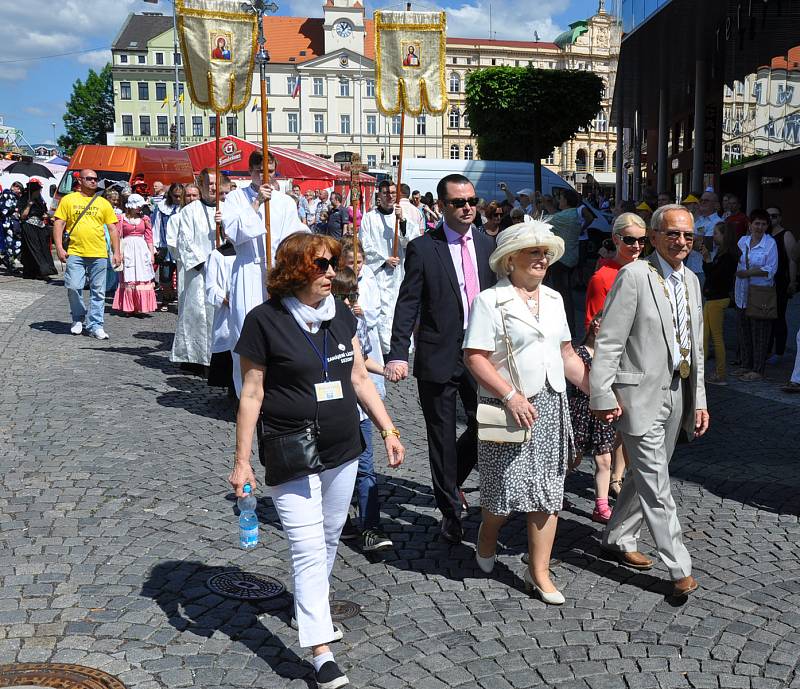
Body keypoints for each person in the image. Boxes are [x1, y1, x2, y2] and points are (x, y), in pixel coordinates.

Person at [228, 233, 404, 689]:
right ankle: (320, 649)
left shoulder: (340, 314)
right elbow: (251, 394)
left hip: (344, 447)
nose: (331, 272)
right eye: (322, 265)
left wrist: (387, 429)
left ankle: (311, 607)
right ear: (295, 272)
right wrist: (242, 462)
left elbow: (360, 377)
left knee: (328, 537)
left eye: (332, 264)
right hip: (290, 448)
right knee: (306, 545)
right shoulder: (263, 322)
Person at [463, 222, 588, 604]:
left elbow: (567, 354)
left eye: (545, 252)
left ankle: (540, 573)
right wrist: (511, 395)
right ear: (510, 259)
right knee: (502, 496)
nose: (542, 258)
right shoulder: (489, 301)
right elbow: (474, 357)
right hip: (508, 408)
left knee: (548, 493)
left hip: (551, 406)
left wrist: (599, 393)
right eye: (533, 251)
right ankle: (487, 538)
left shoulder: (553, 299)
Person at [590, 203, 709, 599]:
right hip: (638, 396)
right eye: (672, 233)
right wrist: (602, 392)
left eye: (688, 235)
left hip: (679, 392)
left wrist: (700, 400)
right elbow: (609, 341)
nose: (681, 241)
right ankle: (679, 566)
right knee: (657, 482)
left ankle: (618, 536)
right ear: (655, 236)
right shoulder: (635, 275)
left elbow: (697, 347)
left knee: (644, 474)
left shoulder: (691, 280)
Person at [385, 174, 497, 544]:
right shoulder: (423, 248)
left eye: (472, 201)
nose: (468, 208)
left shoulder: (487, 245)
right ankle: (450, 512)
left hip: (479, 354)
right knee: (441, 436)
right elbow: (408, 303)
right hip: (437, 355)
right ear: (442, 206)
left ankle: (452, 482)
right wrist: (398, 352)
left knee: (485, 424)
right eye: (458, 203)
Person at [221, 150, 307, 394]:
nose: (264, 175)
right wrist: (256, 203)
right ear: (250, 172)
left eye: (269, 170)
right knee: (245, 330)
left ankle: (277, 390)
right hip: (248, 269)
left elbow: (295, 236)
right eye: (259, 170)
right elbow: (234, 233)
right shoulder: (236, 198)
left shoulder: (285, 202)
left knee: (281, 331)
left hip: (277, 271)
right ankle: (245, 393)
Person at [53, 169, 121, 340]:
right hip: (75, 252)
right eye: (89, 178)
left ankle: (96, 325)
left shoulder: (103, 203)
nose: (93, 181)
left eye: (95, 179)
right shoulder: (68, 200)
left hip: (99, 253)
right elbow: (59, 223)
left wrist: (117, 251)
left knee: (98, 291)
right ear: (80, 180)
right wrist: (60, 247)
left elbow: (113, 228)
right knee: (73, 286)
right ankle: (78, 317)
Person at [361, 180, 422, 353]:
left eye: (393, 193)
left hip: (399, 273)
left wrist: (401, 221)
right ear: (379, 195)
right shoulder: (369, 217)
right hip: (379, 272)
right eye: (386, 193)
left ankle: (400, 346)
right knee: (382, 309)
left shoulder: (402, 217)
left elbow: (413, 242)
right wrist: (384, 259)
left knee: (399, 308)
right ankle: (383, 349)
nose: (389, 196)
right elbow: (365, 244)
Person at [569, 312, 616, 524]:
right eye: (600, 322)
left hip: (601, 413)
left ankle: (601, 506)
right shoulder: (578, 353)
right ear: (594, 326)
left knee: (605, 460)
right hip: (581, 410)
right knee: (573, 459)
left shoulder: (610, 355)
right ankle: (553, 490)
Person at [170, 173, 219, 367]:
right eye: (209, 184)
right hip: (199, 271)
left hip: (222, 272)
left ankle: (218, 357)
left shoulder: (226, 209)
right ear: (201, 185)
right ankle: (195, 359)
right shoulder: (190, 211)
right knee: (197, 313)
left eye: (216, 184)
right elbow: (184, 239)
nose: (213, 187)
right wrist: (202, 263)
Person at [734, 209, 778, 381]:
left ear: (767, 226)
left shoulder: (770, 243)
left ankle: (758, 369)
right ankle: (745, 365)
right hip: (741, 292)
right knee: (743, 330)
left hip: (761, 294)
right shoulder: (742, 241)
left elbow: (771, 269)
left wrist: (749, 273)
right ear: (750, 224)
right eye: (756, 223)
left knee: (760, 332)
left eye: (763, 224)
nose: (759, 227)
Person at [584, 212, 647, 331]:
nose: (637, 246)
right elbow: (592, 326)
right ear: (615, 239)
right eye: (629, 240)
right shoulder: (601, 278)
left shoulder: (649, 271)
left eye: (642, 240)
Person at [701, 221, 739, 385]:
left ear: (724, 235)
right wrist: (707, 260)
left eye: (716, 233)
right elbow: (711, 274)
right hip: (713, 298)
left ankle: (721, 374)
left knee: (716, 337)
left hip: (718, 298)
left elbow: (716, 277)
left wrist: (708, 261)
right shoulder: (722, 253)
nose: (714, 236)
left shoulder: (728, 255)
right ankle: (701, 370)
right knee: (704, 336)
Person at [545, 187, 583, 337]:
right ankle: (569, 329)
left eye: (560, 199)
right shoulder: (572, 214)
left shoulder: (565, 216)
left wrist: (542, 203)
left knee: (562, 295)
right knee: (564, 294)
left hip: (562, 260)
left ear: (566, 201)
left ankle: (567, 330)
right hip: (571, 258)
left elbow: (546, 221)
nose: (558, 201)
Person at [112, 193, 157, 314]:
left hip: (141, 249)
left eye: (140, 206)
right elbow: (117, 235)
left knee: (142, 277)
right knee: (128, 276)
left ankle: (141, 306)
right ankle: (129, 307)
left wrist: (151, 253)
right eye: (137, 206)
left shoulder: (145, 219)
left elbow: (149, 237)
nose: (139, 208)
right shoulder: (121, 218)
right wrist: (117, 252)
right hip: (127, 249)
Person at [205, 238, 237, 393]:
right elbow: (210, 287)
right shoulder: (218, 255)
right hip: (228, 311)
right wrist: (225, 299)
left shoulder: (255, 254)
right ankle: (232, 388)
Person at [767, 206, 796, 359]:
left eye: (774, 216)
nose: (771, 219)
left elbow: (792, 260)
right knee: (766, 316)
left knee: (779, 316)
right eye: (769, 216)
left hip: (780, 281)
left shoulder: (786, 235)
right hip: (766, 282)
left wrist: (792, 281)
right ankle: (767, 349)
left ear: (780, 218)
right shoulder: (764, 234)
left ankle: (779, 351)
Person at [152, 183, 184, 310]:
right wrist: (155, 245)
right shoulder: (162, 207)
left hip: (182, 246)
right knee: (165, 275)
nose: (178, 199)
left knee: (182, 275)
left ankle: (181, 298)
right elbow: (156, 225)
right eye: (175, 196)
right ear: (170, 194)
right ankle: (166, 297)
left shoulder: (186, 208)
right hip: (166, 245)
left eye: (180, 196)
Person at [19, 180, 57, 280]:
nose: (39, 192)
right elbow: (23, 216)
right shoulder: (24, 199)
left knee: (44, 248)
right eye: (38, 190)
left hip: (40, 226)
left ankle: (45, 270)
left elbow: (43, 211)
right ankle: (40, 271)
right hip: (29, 226)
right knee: (34, 249)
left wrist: (48, 216)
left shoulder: (40, 199)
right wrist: (29, 204)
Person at [1, 181, 24, 272]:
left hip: (15, 224)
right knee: (11, 245)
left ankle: (6, 260)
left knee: (17, 244)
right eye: (18, 189)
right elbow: (3, 210)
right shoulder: (6, 195)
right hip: (7, 224)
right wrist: (15, 209)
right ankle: (10, 263)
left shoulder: (16, 197)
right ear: (14, 186)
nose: (19, 192)